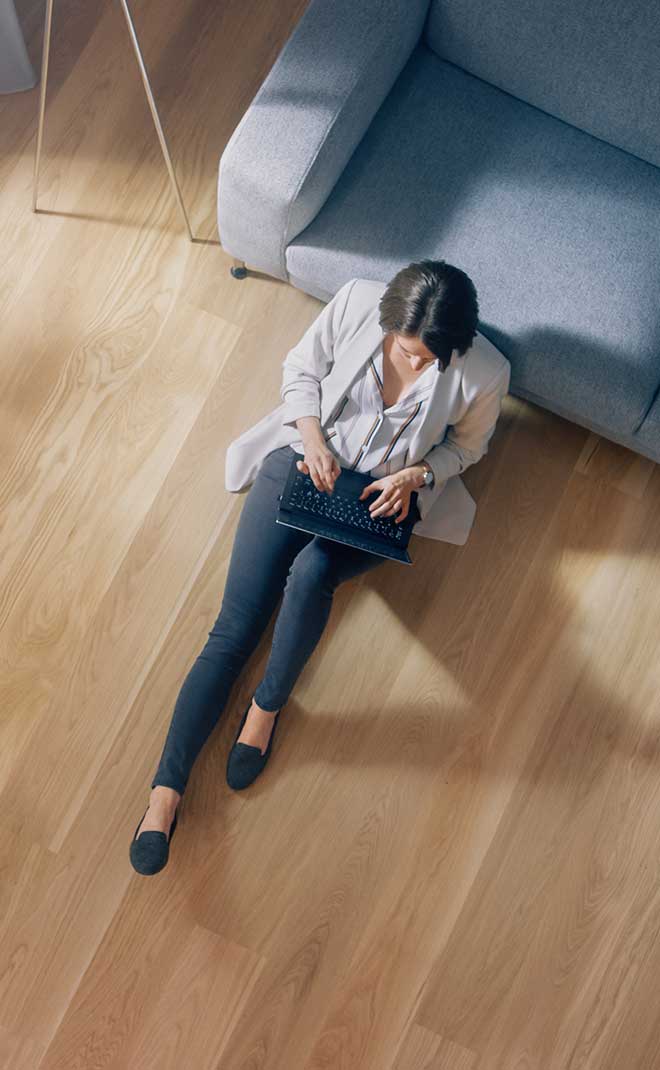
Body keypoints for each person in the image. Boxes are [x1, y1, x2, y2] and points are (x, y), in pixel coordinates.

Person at [130, 257, 503, 876]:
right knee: (233, 628)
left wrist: (419, 474)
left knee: (310, 575)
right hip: (303, 466)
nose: (416, 366)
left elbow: (469, 445)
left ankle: (266, 708)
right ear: (388, 323)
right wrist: (310, 435)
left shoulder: (485, 372)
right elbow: (301, 370)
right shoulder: (358, 302)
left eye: (430, 360)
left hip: (379, 500)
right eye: (408, 352)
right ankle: (164, 794)